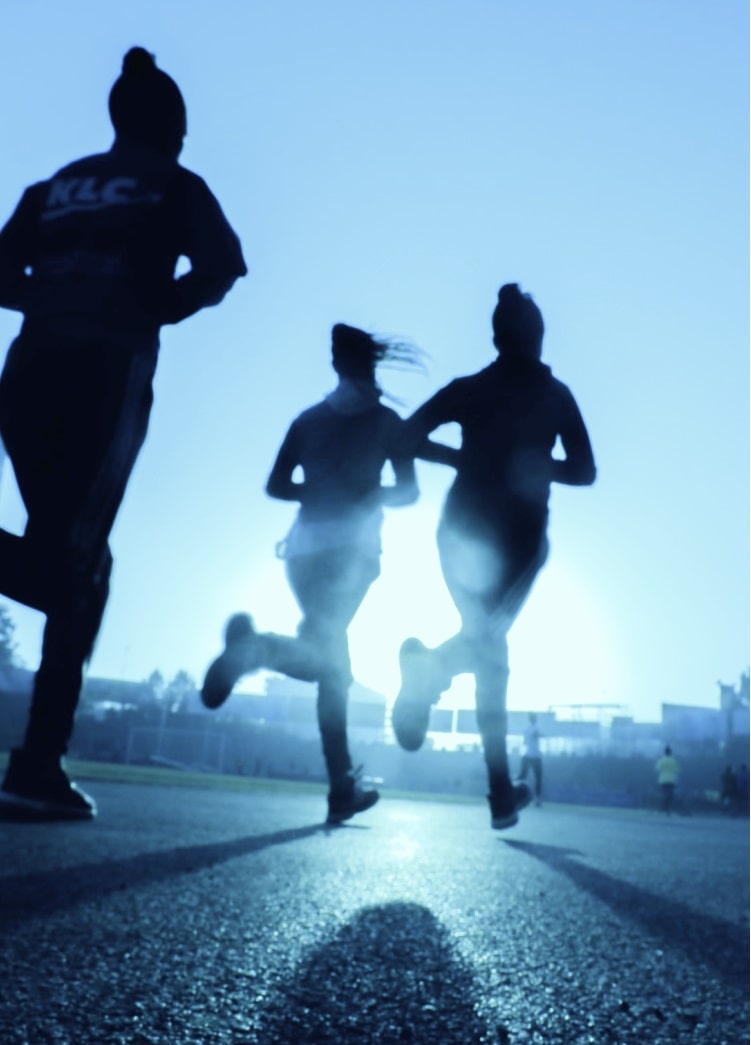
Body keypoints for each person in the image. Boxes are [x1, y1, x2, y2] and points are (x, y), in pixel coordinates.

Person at [0, 47, 247, 819]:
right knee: (76, 567)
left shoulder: (59, 184)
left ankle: (39, 758)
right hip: (103, 376)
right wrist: (151, 307)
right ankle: (36, 762)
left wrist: (53, 299)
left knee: (73, 562)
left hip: (29, 369)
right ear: (171, 125)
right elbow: (225, 264)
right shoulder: (172, 184)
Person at [391, 283, 596, 830]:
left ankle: (432, 682)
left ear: (496, 337)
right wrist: (531, 466)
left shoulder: (470, 389)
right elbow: (585, 470)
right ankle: (498, 789)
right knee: (490, 652)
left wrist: (463, 461)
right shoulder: (556, 397)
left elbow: (404, 437)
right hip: (518, 547)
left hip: (458, 537)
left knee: (487, 648)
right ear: (537, 337)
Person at [200, 323, 421, 825]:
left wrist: (317, 491)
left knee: (331, 666)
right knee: (333, 670)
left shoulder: (308, 420)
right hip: (353, 556)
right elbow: (409, 493)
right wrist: (365, 493)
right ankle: (258, 651)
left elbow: (276, 485)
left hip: (301, 553)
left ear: (336, 366)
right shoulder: (388, 423)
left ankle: (341, 783)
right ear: (371, 365)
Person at [519, 712, 543, 806]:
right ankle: (537, 799)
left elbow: (524, 742)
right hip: (535, 756)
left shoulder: (526, 730)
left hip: (527, 755)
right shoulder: (535, 728)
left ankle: (518, 797)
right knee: (538, 778)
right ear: (535, 719)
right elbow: (537, 734)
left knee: (523, 777)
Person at [655, 745, 680, 814]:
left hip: (663, 780)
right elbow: (677, 770)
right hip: (672, 780)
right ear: (671, 752)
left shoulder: (661, 760)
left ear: (664, 752)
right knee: (670, 795)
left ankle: (662, 808)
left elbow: (657, 769)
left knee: (663, 794)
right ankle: (668, 809)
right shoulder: (674, 761)